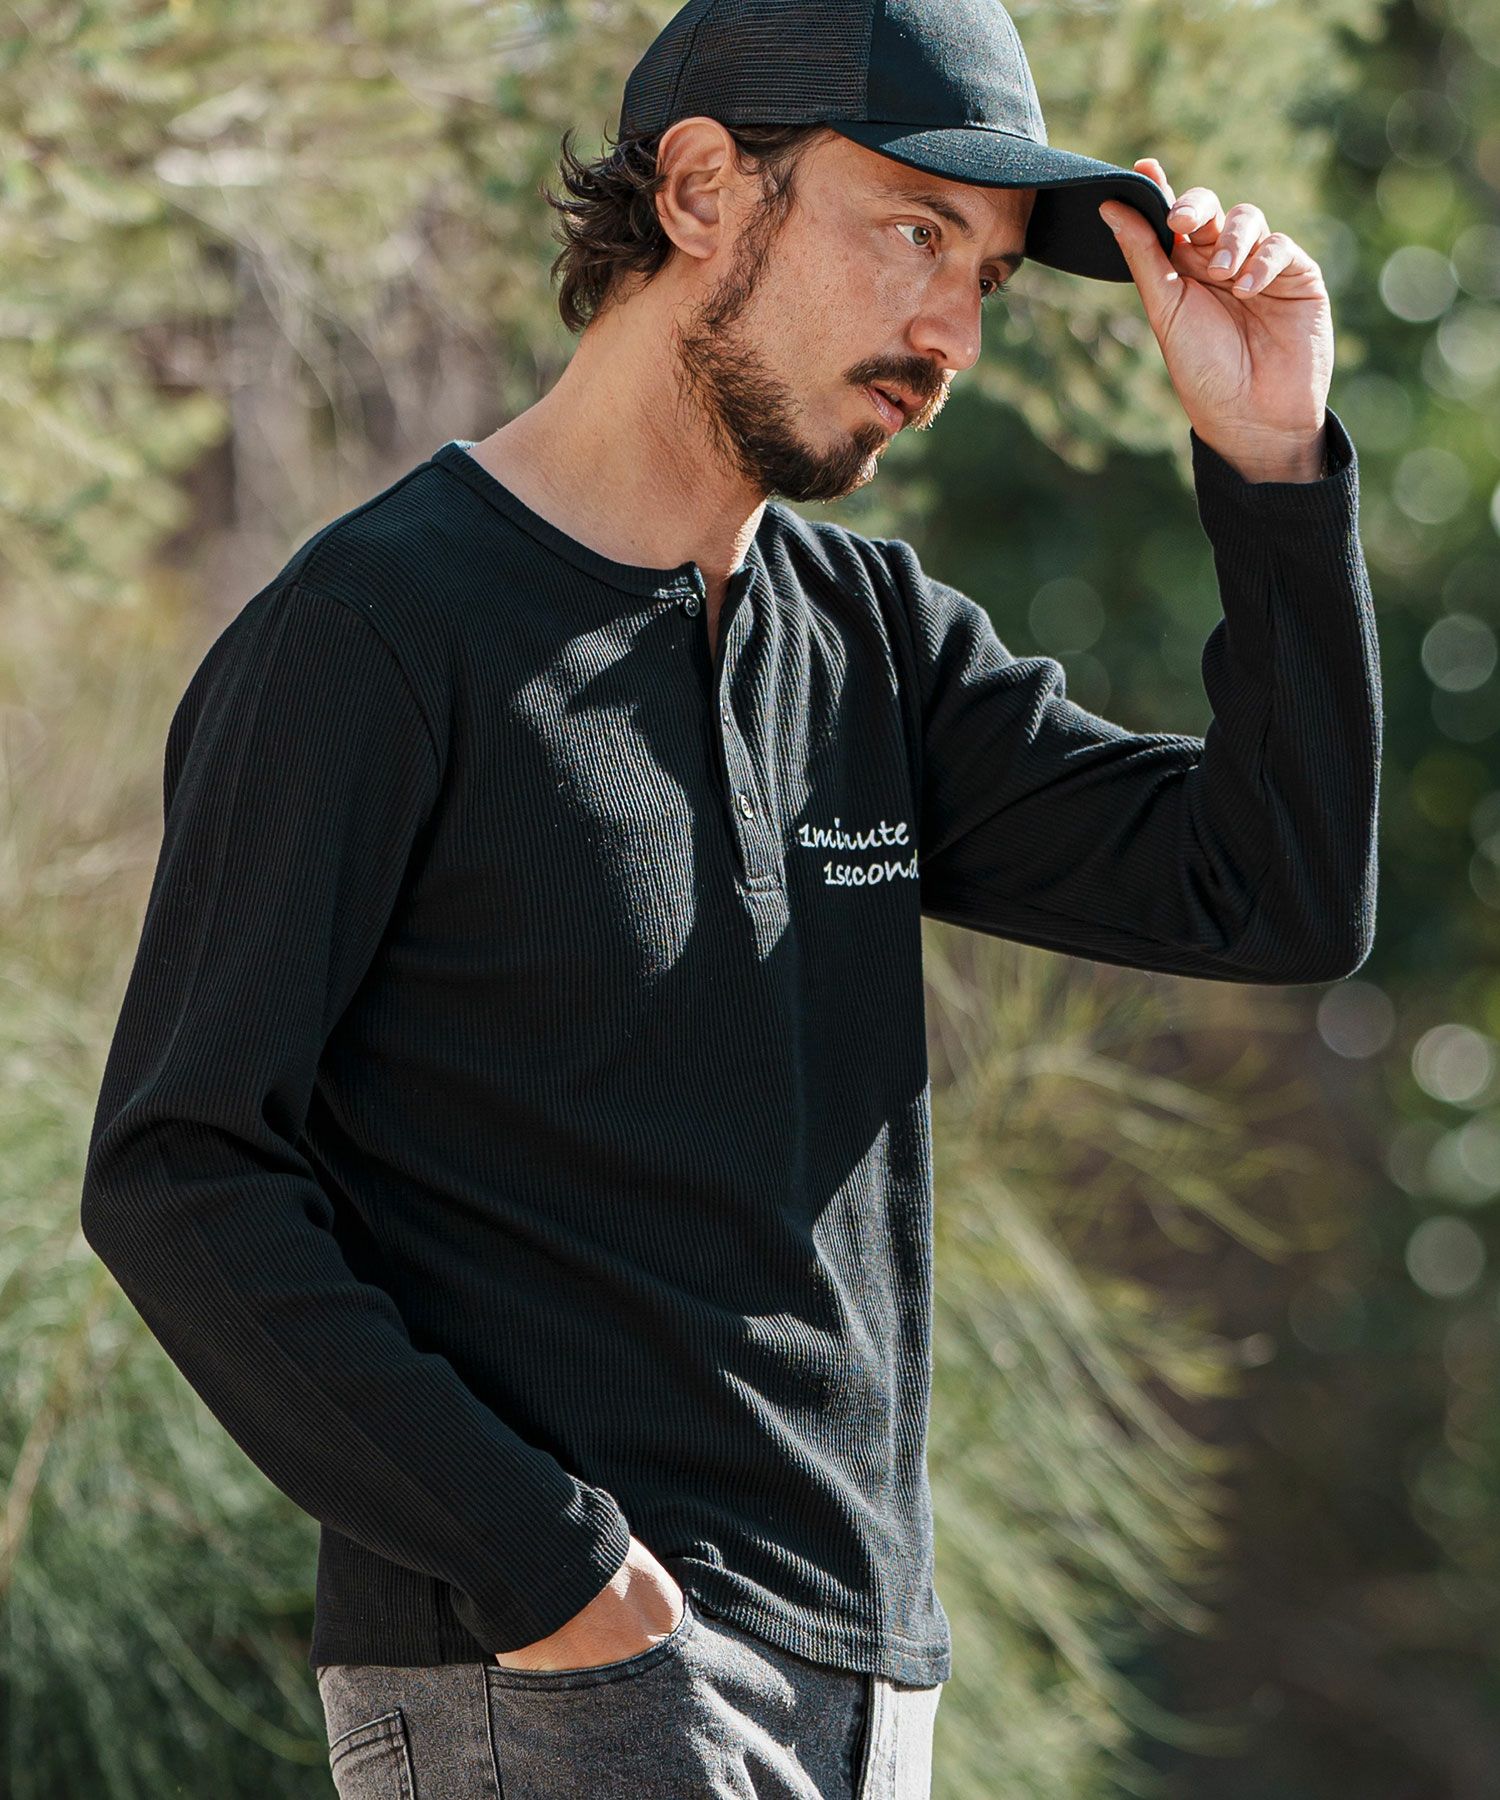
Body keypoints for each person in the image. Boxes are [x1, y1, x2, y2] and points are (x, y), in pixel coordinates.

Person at [78, 0, 1381, 1792]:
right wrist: (553, 1574)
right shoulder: (372, 637)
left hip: (869, 1690)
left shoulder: (875, 647)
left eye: (987, 277)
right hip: (564, 1688)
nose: (950, 333)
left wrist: (1273, 462)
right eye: (914, 231)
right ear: (700, 189)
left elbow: (1273, 891)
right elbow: (180, 1170)